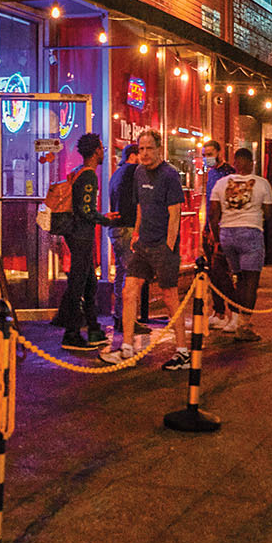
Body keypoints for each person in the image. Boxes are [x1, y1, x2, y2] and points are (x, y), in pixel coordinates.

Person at [101, 127, 190, 369]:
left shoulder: (170, 175)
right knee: (129, 291)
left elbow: (175, 214)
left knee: (170, 297)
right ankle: (127, 348)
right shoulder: (138, 172)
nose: (145, 153)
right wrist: (137, 233)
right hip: (143, 245)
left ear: (159, 149)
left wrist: (169, 247)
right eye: (141, 149)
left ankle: (182, 352)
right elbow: (140, 205)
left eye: (150, 148)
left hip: (163, 246)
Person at [207, 147, 272, 342]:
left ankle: (235, 317)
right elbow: (270, 214)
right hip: (251, 232)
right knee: (250, 281)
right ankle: (244, 325)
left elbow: (213, 213)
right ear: (252, 163)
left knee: (237, 278)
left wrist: (217, 236)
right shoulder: (262, 184)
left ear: (235, 163)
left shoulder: (221, 183)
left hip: (227, 233)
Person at [59, 132, 118, 352]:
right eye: (101, 148)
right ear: (95, 152)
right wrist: (105, 219)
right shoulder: (89, 176)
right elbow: (85, 210)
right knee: (78, 284)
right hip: (82, 236)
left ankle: (93, 328)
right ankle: (72, 333)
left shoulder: (76, 172)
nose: (103, 152)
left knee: (89, 283)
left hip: (74, 234)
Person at [201, 138, 234, 324]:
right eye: (204, 156)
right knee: (213, 273)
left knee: (223, 273)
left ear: (219, 153)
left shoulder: (228, 173)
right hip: (210, 228)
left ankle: (232, 312)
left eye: (210, 155)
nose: (207, 159)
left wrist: (217, 230)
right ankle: (219, 310)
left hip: (222, 228)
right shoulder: (211, 173)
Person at [108, 144, 139, 333]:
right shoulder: (133, 172)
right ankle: (128, 320)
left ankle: (119, 316)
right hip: (128, 228)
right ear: (133, 155)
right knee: (131, 275)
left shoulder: (115, 174)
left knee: (121, 273)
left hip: (115, 229)